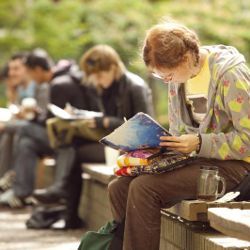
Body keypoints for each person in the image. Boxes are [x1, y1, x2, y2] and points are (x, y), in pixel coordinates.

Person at [108, 20, 250, 250]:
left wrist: (199, 143)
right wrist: (151, 146)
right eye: (160, 77)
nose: (166, 81)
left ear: (185, 58)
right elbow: (179, 133)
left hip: (235, 167)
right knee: (119, 186)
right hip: (196, 161)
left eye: (168, 75)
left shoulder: (230, 75)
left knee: (144, 188)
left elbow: (248, 139)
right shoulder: (179, 79)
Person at [33, 44, 154, 229]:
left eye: (99, 75)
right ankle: (67, 211)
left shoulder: (134, 86)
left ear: (113, 67)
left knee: (75, 152)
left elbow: (144, 125)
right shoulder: (105, 88)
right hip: (113, 143)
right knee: (71, 143)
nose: (97, 81)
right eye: (93, 77)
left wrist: (104, 122)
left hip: (132, 148)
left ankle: (65, 203)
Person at [0, 50, 91, 209]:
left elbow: (50, 122)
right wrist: (37, 115)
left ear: (37, 70)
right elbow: (49, 118)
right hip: (60, 136)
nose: (30, 78)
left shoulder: (58, 84)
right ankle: (21, 193)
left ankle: (11, 178)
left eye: (29, 73)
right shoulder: (58, 81)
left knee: (24, 130)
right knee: (26, 143)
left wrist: (33, 118)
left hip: (67, 139)